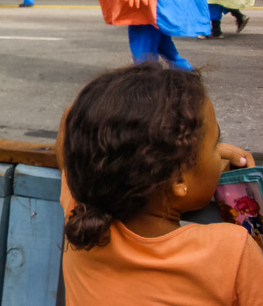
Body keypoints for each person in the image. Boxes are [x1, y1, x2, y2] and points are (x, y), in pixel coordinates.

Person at [57, 64, 263, 303]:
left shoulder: (81, 211)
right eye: (215, 144)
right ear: (178, 178)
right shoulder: (232, 250)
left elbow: (75, 122)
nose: (219, 153)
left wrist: (190, 153)